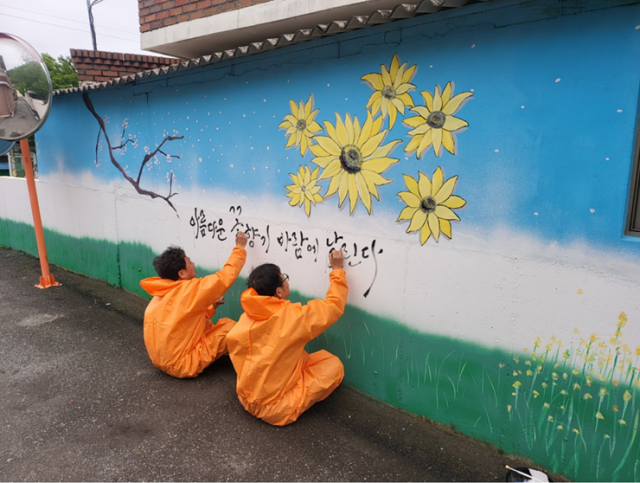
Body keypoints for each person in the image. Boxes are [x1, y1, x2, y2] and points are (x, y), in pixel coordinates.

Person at [226, 249, 348, 426]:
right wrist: (337, 270)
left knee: (308, 358)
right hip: (275, 407)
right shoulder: (293, 317)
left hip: (244, 396)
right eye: (284, 279)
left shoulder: (248, 314)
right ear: (278, 292)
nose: (286, 281)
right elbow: (333, 306)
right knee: (334, 366)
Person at [140, 231, 248, 378]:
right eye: (190, 262)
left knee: (212, 325)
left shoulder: (161, 291)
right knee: (229, 328)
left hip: (159, 360)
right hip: (182, 364)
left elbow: (185, 319)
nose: (193, 264)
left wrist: (212, 307)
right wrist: (239, 248)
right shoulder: (190, 290)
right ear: (182, 274)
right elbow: (224, 277)